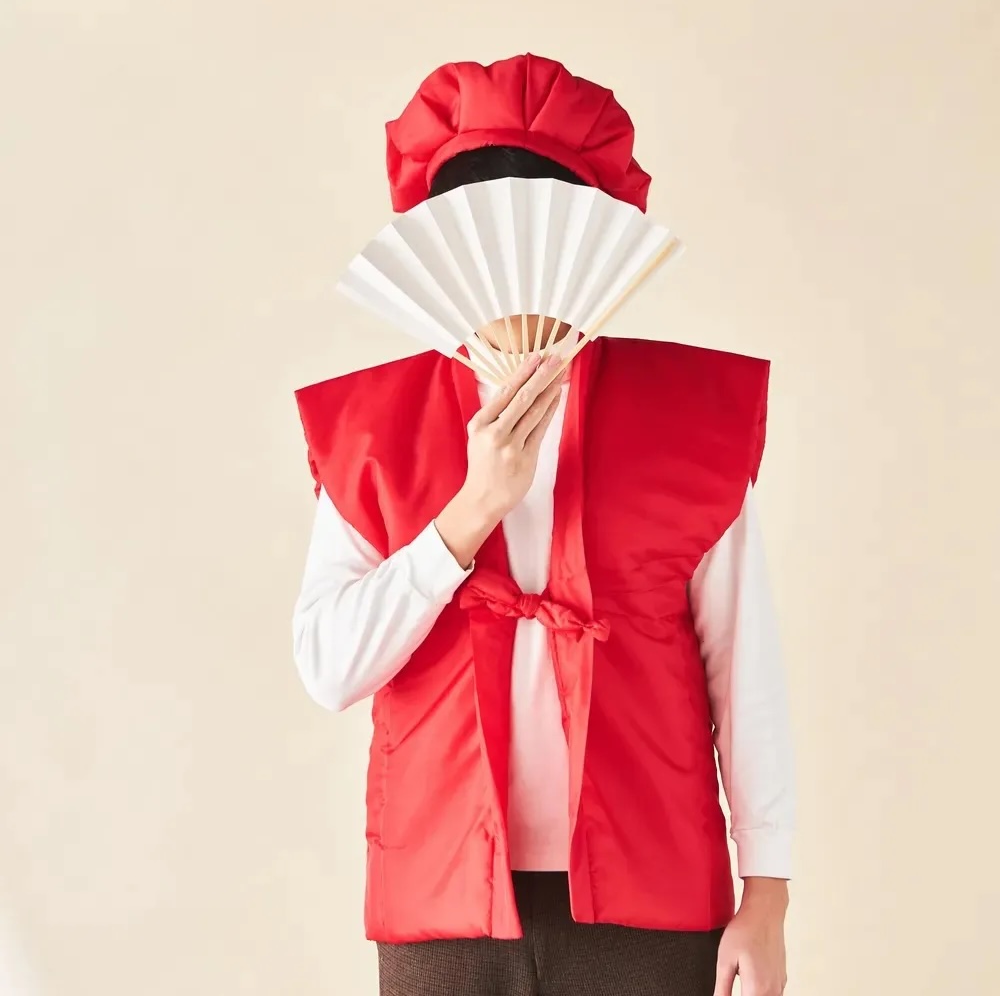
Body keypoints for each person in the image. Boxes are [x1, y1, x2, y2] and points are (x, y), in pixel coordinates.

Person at [292, 53, 794, 996]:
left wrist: (766, 895)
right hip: (440, 891)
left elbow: (744, 668)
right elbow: (329, 669)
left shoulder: (692, 420)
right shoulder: (368, 431)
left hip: (651, 893)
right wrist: (471, 509)